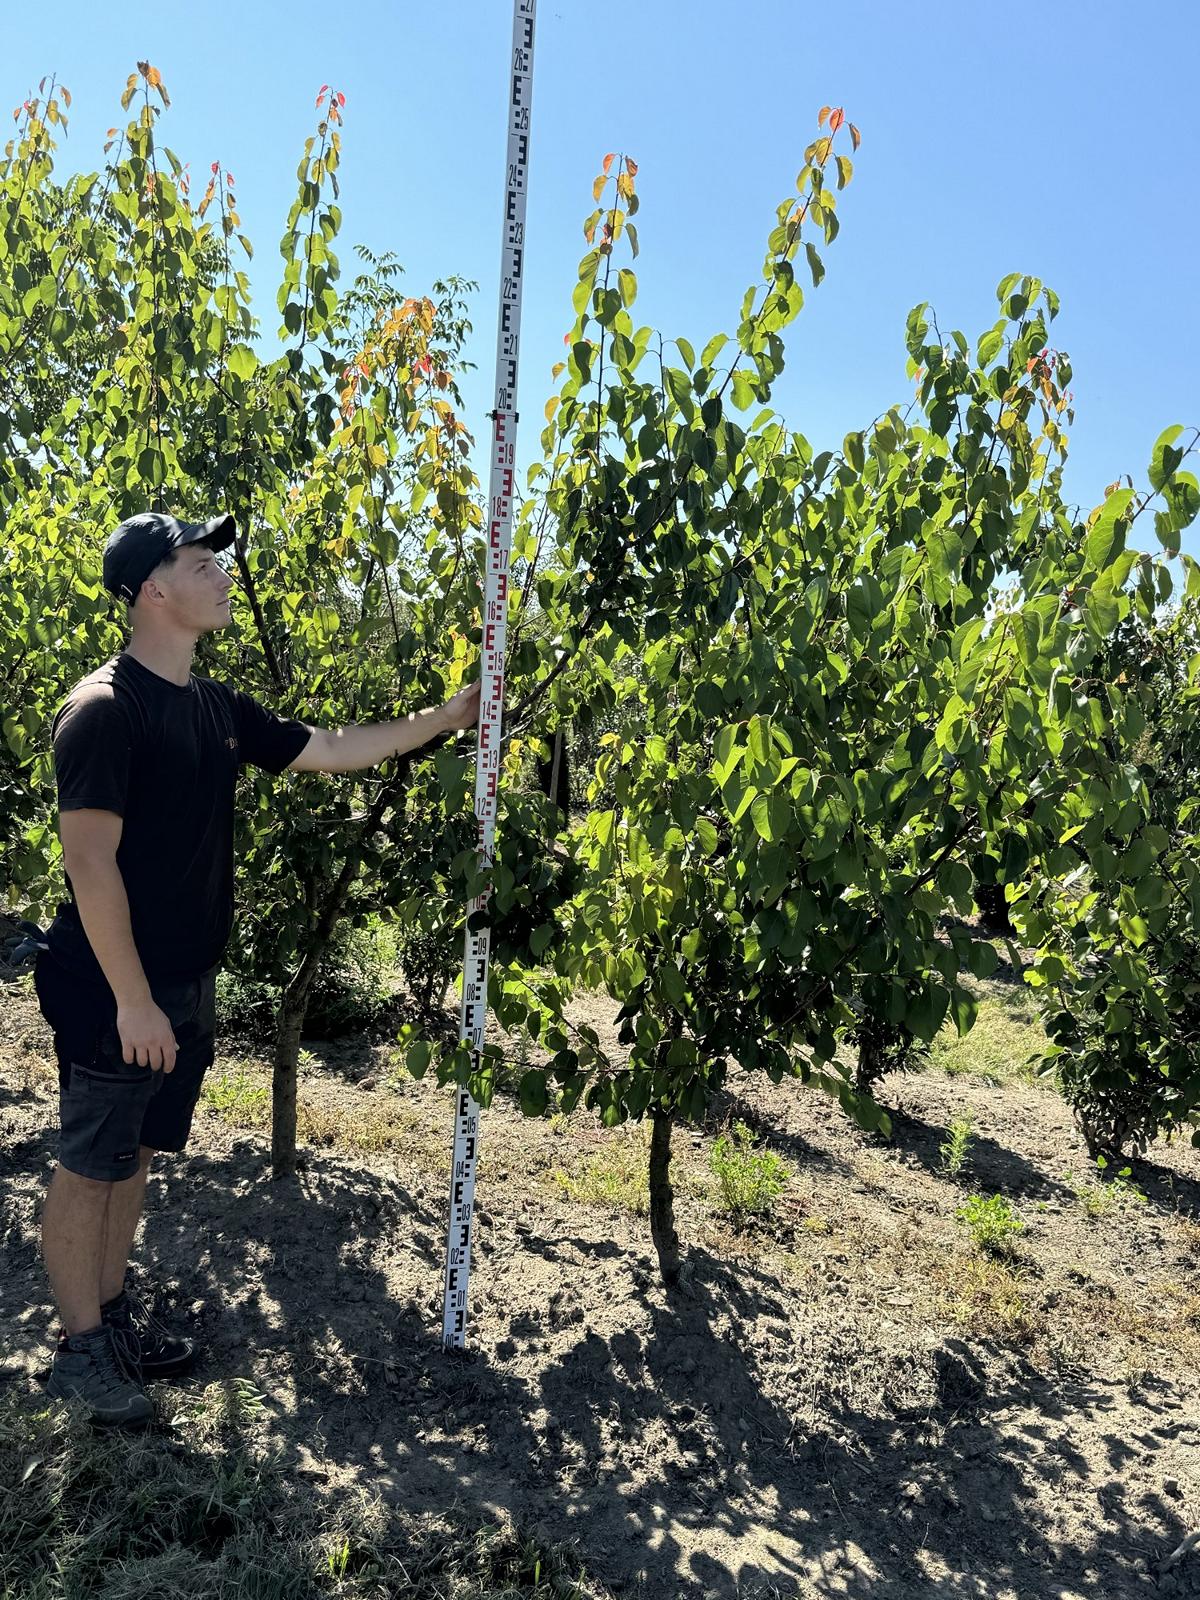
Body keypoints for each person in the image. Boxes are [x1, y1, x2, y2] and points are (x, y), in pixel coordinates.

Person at [33, 510, 480, 1428]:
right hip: (113, 989)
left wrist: (447, 717)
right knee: (89, 1165)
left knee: (134, 1157)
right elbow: (88, 864)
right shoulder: (104, 711)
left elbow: (331, 747)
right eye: (205, 563)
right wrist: (131, 1000)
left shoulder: (213, 706)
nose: (224, 575)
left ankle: (111, 1322)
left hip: (182, 981)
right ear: (153, 588)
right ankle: (78, 1354)